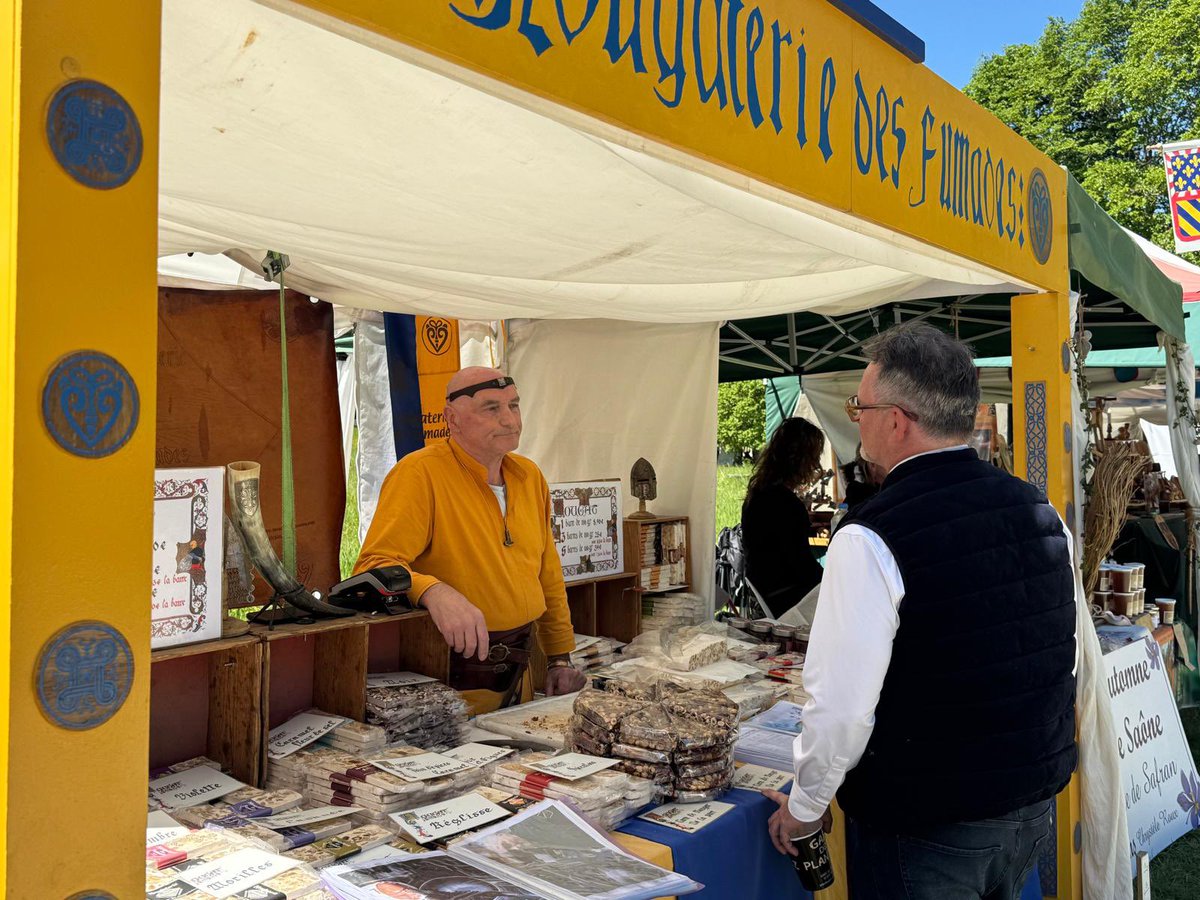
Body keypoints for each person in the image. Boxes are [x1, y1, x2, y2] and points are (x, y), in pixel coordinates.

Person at [763, 324, 1078, 899]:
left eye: (860, 406)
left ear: (896, 420)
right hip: (1030, 804)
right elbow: (1063, 656)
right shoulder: (1039, 510)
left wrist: (806, 806)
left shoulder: (870, 537)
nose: (856, 418)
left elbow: (841, 709)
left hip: (928, 826)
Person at [354, 366, 587, 713]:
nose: (510, 420)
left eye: (514, 405)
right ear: (452, 418)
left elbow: (547, 572)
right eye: (491, 408)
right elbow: (374, 565)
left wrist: (559, 657)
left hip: (517, 677)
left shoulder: (529, 476)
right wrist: (432, 590)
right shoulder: (421, 474)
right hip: (449, 686)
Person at [739, 417, 826, 618]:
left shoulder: (759, 494)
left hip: (767, 591)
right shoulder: (784, 502)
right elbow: (799, 563)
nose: (815, 464)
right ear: (800, 459)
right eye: (813, 457)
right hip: (787, 597)